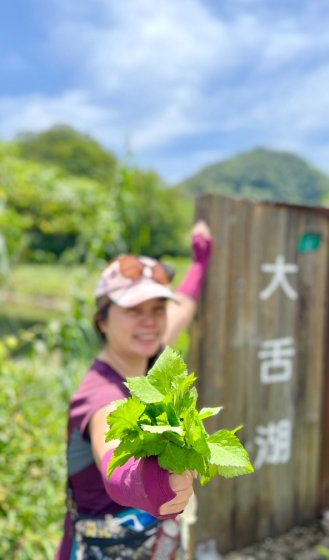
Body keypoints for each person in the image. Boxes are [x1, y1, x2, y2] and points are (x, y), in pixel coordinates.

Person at [55, 220, 213, 559]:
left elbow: (183, 305)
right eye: (133, 310)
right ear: (102, 321)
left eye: (157, 309)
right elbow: (115, 465)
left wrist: (200, 260)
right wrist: (153, 483)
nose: (150, 321)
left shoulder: (146, 353)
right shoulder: (98, 396)